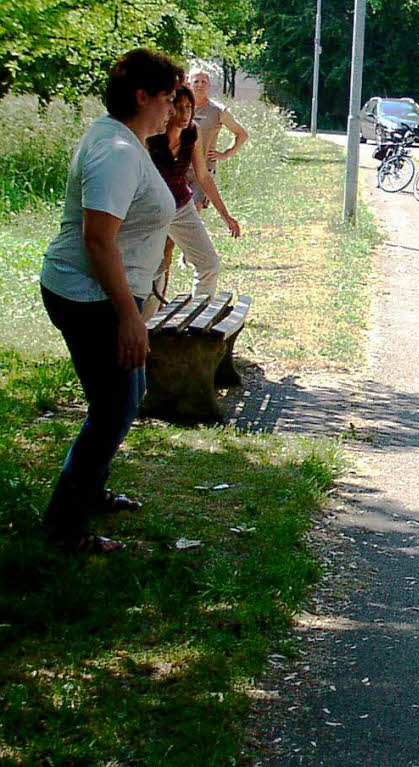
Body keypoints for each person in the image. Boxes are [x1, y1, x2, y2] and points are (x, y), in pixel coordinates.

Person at [38, 48, 180, 553]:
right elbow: (98, 239)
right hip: (88, 295)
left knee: (124, 395)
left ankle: (89, 491)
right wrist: (128, 317)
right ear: (140, 97)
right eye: (166, 98)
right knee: (114, 406)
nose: (172, 108)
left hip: (104, 293)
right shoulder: (116, 152)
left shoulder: (124, 140)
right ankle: (64, 527)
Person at [145, 84, 240, 317]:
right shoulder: (151, 137)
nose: (186, 113)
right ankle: (145, 330)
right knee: (152, 271)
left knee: (209, 264)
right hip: (151, 209)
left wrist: (226, 216)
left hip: (181, 203)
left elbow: (203, 175)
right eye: (180, 107)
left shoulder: (192, 132)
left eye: (189, 107)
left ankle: (198, 320)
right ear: (168, 110)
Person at [186, 68, 248, 209]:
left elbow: (242, 134)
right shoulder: (179, 107)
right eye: (196, 81)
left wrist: (225, 154)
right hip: (179, 168)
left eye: (204, 81)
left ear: (208, 85)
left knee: (195, 209)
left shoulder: (218, 110)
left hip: (203, 170)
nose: (200, 85)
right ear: (189, 84)